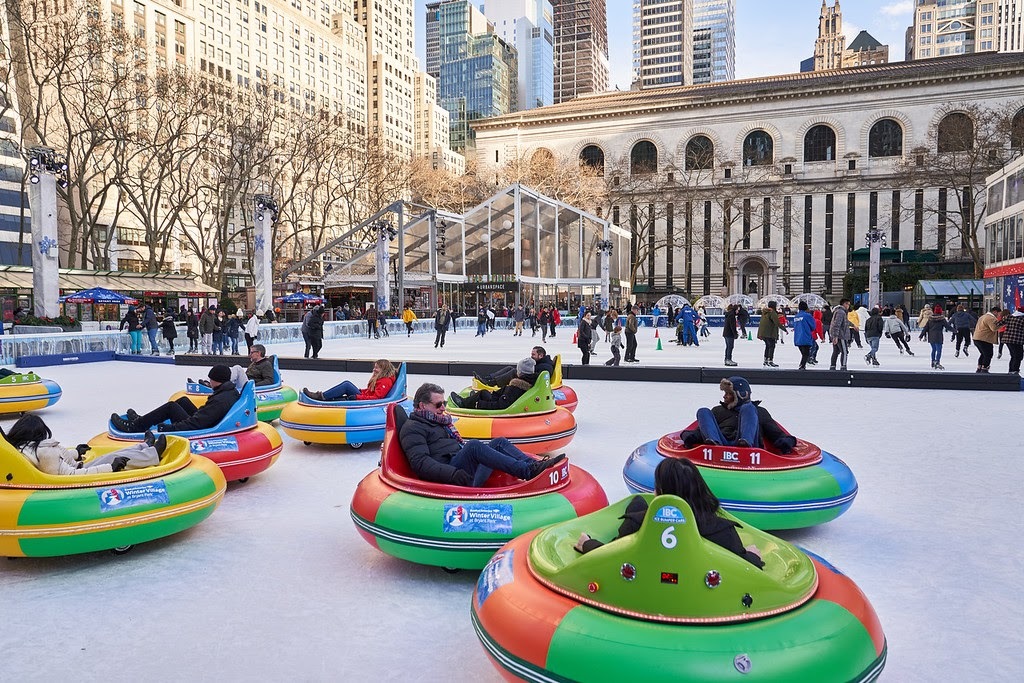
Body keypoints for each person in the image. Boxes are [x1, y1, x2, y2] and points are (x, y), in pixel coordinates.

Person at [573, 458, 764, 569]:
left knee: (637, 504)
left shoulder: (637, 524)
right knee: (638, 502)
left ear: (660, 491)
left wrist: (587, 544)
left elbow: (611, 556)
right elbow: (745, 567)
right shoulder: (722, 531)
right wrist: (753, 556)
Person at [399, 382, 565, 487]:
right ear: (422, 405)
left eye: (444, 403)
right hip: (452, 476)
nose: (443, 408)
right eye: (438, 404)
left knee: (499, 442)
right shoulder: (413, 428)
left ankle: (532, 465)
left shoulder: (437, 421)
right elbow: (420, 463)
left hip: (458, 466)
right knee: (474, 446)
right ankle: (527, 472)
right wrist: (453, 474)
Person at [5, 414, 165, 475]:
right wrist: (110, 468)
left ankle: (145, 447)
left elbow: (60, 460)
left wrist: (75, 452)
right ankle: (152, 454)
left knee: (110, 455)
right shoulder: (43, 453)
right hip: (80, 474)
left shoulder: (29, 447)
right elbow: (70, 476)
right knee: (116, 458)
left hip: (78, 466)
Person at [679, 377, 796, 453]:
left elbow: (775, 433)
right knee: (703, 411)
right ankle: (713, 444)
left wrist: (786, 442)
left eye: (728, 394)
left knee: (748, 408)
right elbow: (703, 430)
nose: (724, 397)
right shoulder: (718, 411)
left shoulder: (758, 412)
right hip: (720, 446)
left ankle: (745, 443)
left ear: (740, 395)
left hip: (750, 451)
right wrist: (689, 436)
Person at [111, 365, 240, 433]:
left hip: (202, 429)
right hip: (208, 421)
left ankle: (135, 426)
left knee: (171, 407)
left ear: (216, 380)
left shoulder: (220, 400)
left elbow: (196, 424)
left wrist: (168, 428)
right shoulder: (228, 391)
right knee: (183, 401)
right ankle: (143, 420)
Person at [450, 358, 535, 409]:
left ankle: (464, 403)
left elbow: (502, 405)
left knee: (482, 394)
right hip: (499, 398)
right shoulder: (525, 381)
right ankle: (471, 399)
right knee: (483, 393)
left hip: (498, 403)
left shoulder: (516, 387)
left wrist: (481, 404)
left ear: (521, 372)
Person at [303, 358, 397, 402]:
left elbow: (377, 398)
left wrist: (357, 397)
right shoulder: (382, 378)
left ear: (383, 369)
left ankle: (321, 396)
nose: (374, 369)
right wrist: (361, 391)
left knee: (346, 385)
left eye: (377, 368)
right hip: (364, 398)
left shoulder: (385, 381)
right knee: (345, 390)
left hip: (366, 402)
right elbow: (371, 392)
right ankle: (325, 398)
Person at [201, 343, 276, 389]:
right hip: (246, 383)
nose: (250, 355)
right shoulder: (254, 363)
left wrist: (253, 385)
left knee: (237, 368)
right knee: (222, 369)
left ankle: (216, 383)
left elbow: (269, 380)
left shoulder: (266, 364)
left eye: (252, 352)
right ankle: (208, 382)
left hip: (249, 386)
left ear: (258, 353)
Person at [474, 346, 554, 388]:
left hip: (531, 383)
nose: (531, 356)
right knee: (510, 368)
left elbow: (538, 378)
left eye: (533, 355)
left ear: (540, 355)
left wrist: (523, 374)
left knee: (514, 372)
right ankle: (488, 378)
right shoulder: (539, 362)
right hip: (529, 378)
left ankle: (490, 383)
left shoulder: (546, 367)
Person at [919, 305, 954, 370]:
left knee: (933, 349)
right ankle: (937, 362)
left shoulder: (930, 319)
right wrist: (955, 331)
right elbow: (948, 327)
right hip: (938, 336)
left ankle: (933, 362)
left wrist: (921, 335)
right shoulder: (942, 319)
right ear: (940, 312)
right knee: (939, 350)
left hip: (931, 337)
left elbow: (926, 328)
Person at [972, 306, 1003, 373]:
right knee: (988, 354)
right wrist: (1003, 324)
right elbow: (994, 328)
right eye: (999, 314)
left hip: (977, 338)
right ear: (995, 312)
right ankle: (985, 368)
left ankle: (979, 368)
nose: (999, 316)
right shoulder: (990, 318)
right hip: (984, 339)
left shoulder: (983, 316)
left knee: (983, 354)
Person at [829, 298, 852, 371]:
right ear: (844, 304)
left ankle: (832, 366)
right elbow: (837, 324)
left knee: (836, 351)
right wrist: (835, 336)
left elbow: (844, 322)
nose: (848, 306)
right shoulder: (841, 312)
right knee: (844, 352)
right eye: (847, 304)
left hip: (837, 334)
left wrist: (853, 325)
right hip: (841, 335)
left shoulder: (839, 311)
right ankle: (843, 366)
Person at [792, 301, 816, 370]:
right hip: (805, 337)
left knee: (803, 353)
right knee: (806, 353)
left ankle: (802, 365)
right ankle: (802, 366)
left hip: (798, 337)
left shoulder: (796, 316)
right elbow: (813, 326)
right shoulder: (808, 316)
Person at [757, 301, 781, 367]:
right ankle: (770, 361)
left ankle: (765, 360)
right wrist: (784, 329)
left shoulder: (765, 312)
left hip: (763, 333)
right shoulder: (772, 312)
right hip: (770, 333)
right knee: (772, 346)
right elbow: (777, 323)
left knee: (768, 346)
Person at [1002, 305, 1024, 375]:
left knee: (1013, 355)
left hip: (1007, 339)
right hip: (1017, 340)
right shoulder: (1022, 319)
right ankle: (1014, 370)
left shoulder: (1010, 316)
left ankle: (1011, 370)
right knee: (1018, 356)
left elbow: (999, 323)